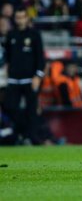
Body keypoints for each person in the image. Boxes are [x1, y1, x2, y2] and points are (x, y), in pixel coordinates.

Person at [4, 8, 45, 145]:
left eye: (22, 17)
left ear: (27, 18)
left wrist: (38, 76)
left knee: (31, 110)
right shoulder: (11, 35)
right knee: (10, 107)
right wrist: (6, 71)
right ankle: (24, 132)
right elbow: (8, 57)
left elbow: (40, 58)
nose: (20, 20)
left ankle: (32, 138)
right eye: (18, 17)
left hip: (30, 79)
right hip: (13, 79)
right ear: (14, 19)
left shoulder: (34, 35)